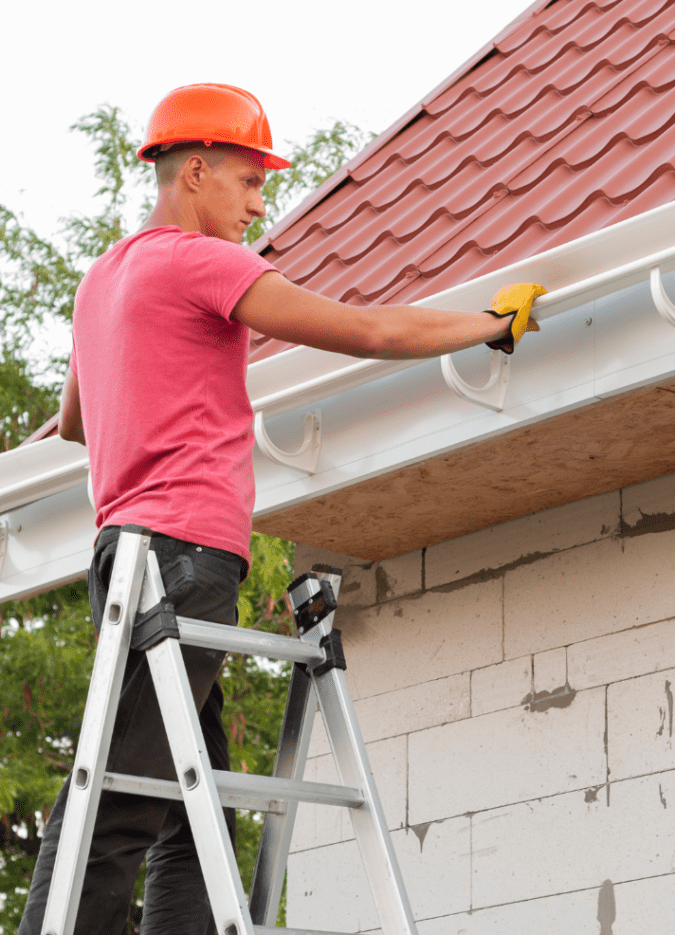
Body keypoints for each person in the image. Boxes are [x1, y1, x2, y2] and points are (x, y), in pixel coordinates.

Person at [20, 82, 545, 935]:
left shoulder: (103, 278)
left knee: (193, 814)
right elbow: (363, 331)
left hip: (125, 560)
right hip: (184, 559)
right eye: (249, 184)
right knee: (117, 800)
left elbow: (77, 423)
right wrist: (484, 325)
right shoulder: (201, 263)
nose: (258, 207)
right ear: (196, 170)